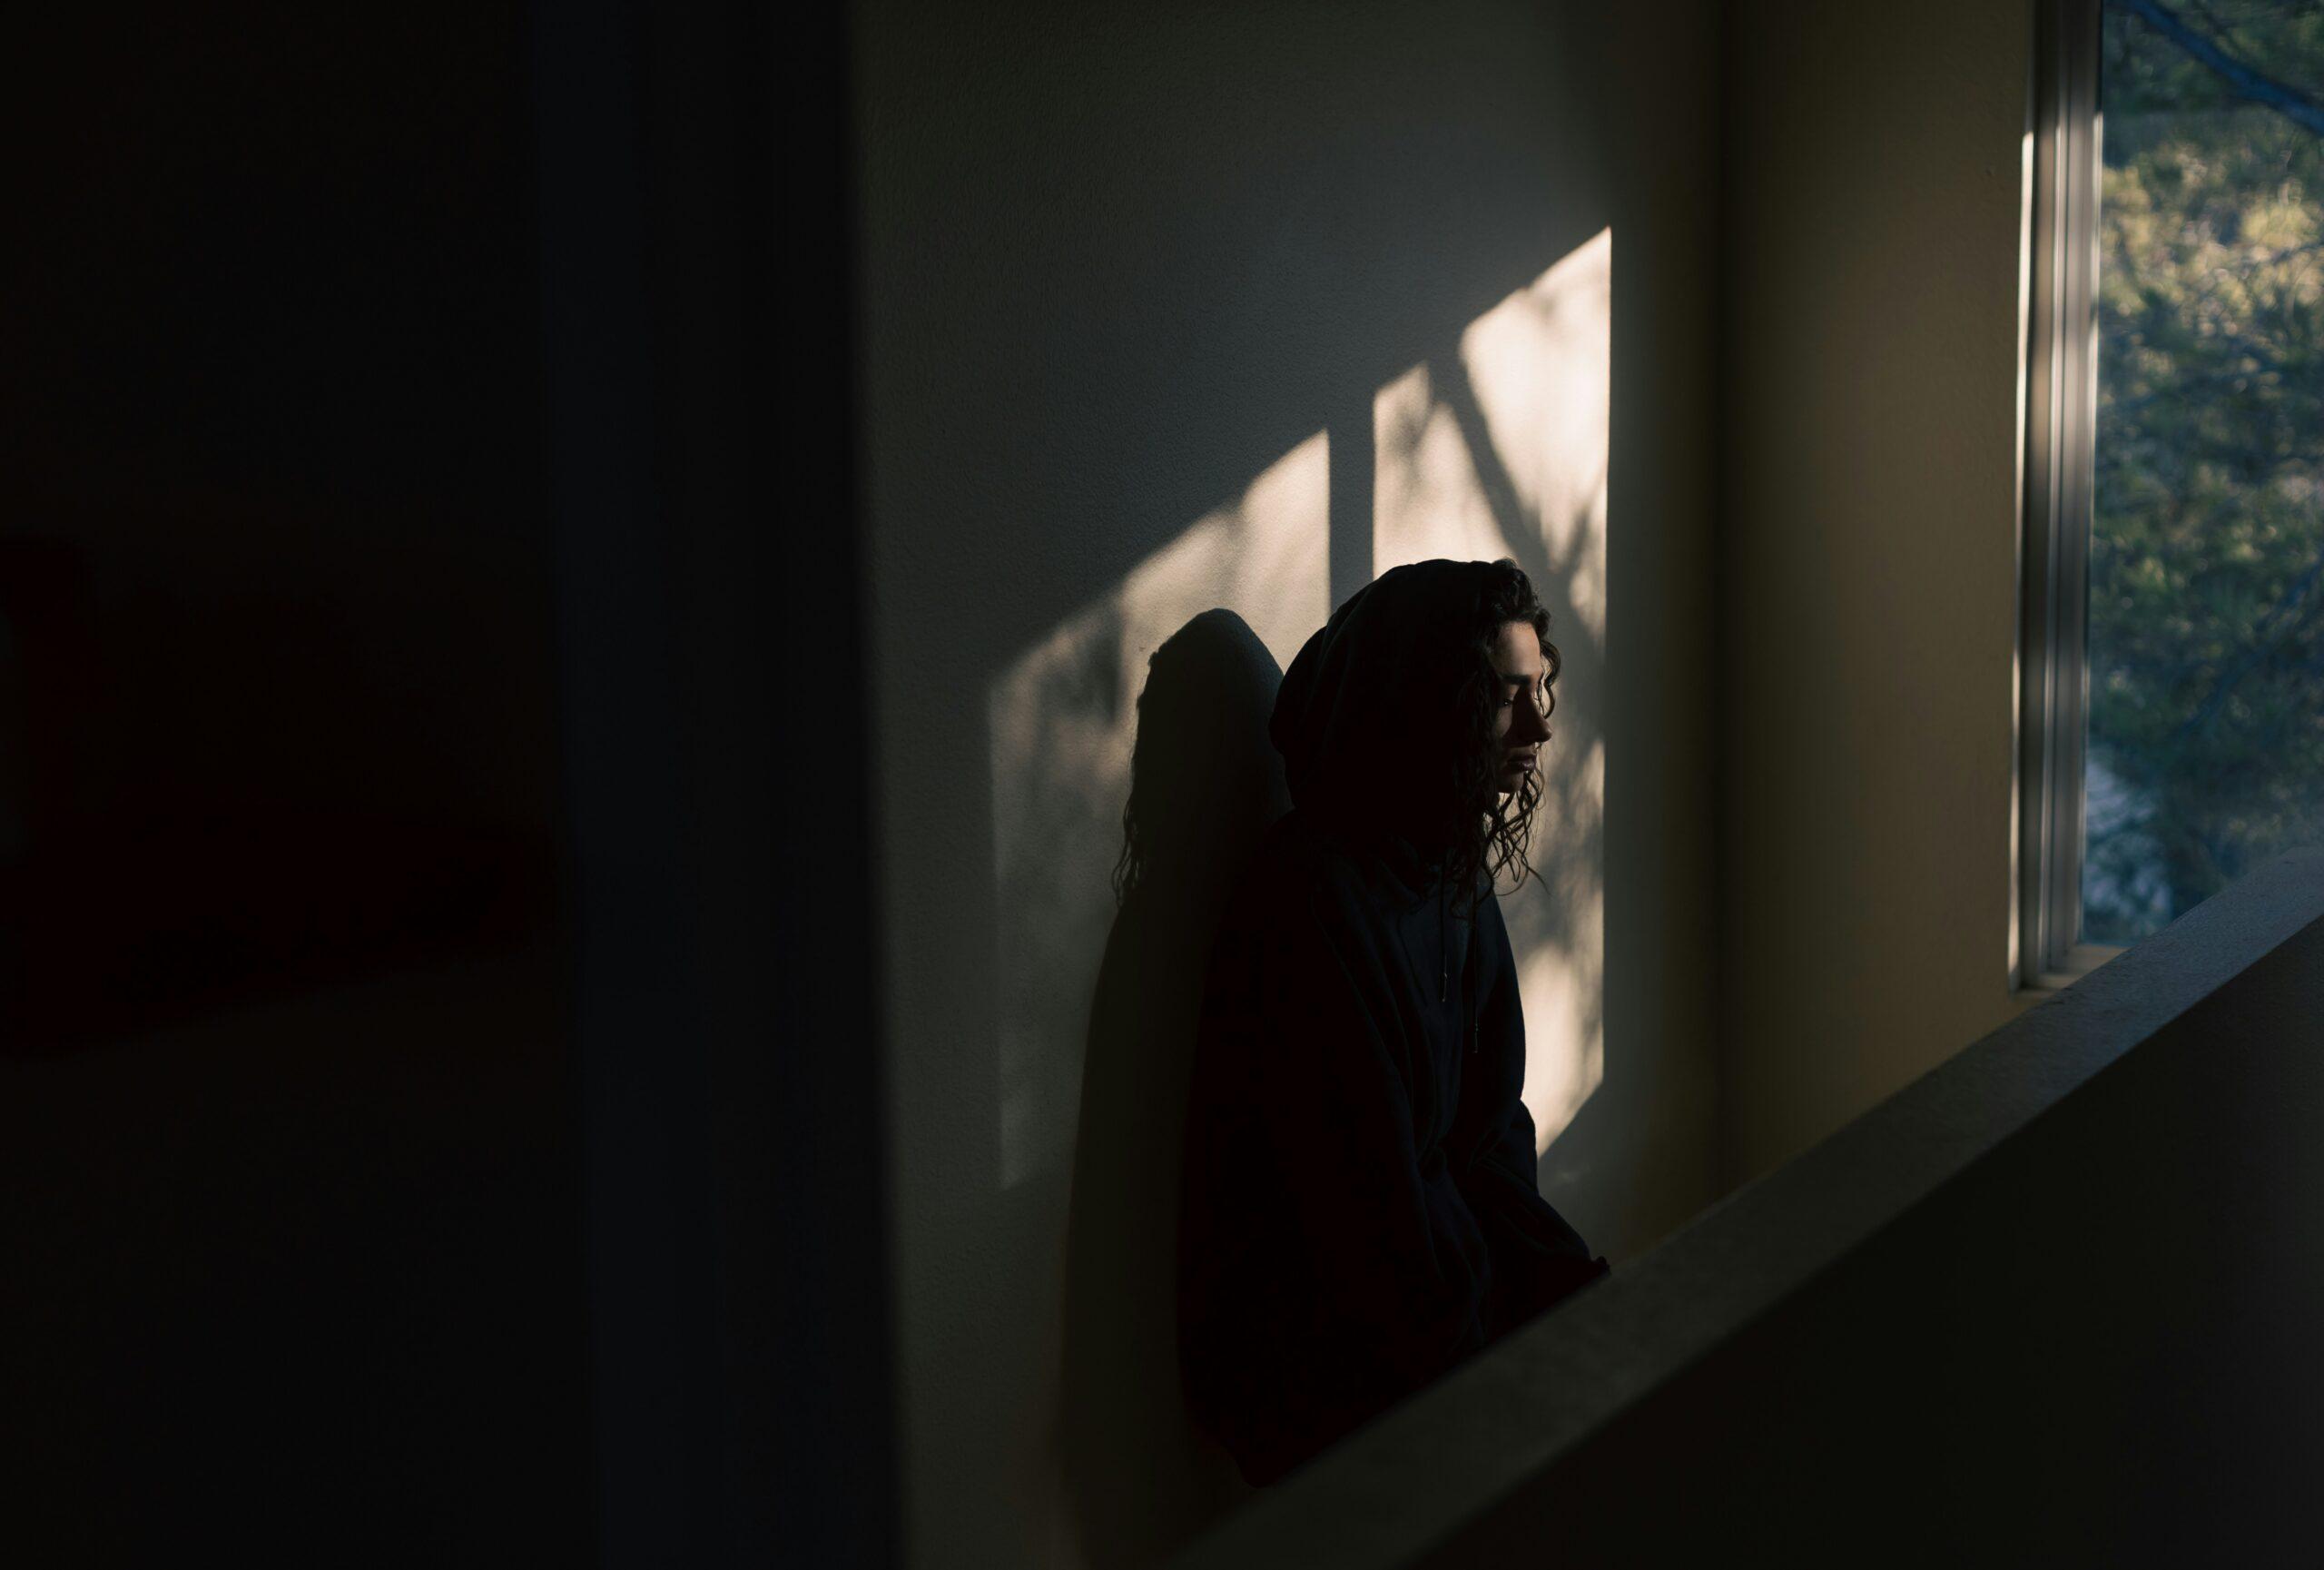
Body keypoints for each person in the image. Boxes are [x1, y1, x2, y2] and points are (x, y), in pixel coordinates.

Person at [1176, 558, 1610, 1487]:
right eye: (1506, 696)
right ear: (1429, 702)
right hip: (1330, 1380)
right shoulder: (1306, 906)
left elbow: (1490, 1138)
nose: (1538, 726)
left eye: (1541, 690)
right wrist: (1502, 1388)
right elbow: (1364, 1229)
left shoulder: (1448, 877)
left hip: (1430, 1328)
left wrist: (1575, 1295)